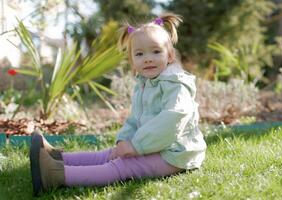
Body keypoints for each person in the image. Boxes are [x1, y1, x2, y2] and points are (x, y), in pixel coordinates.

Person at [29, 13, 207, 196]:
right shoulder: (145, 84)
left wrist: (136, 146)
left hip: (176, 154)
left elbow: (172, 118)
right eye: (140, 54)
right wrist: (124, 140)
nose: (148, 58)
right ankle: (58, 158)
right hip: (156, 145)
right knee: (109, 154)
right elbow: (134, 120)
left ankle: (55, 175)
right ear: (132, 60)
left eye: (156, 51)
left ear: (169, 55)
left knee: (122, 166)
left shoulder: (175, 85)